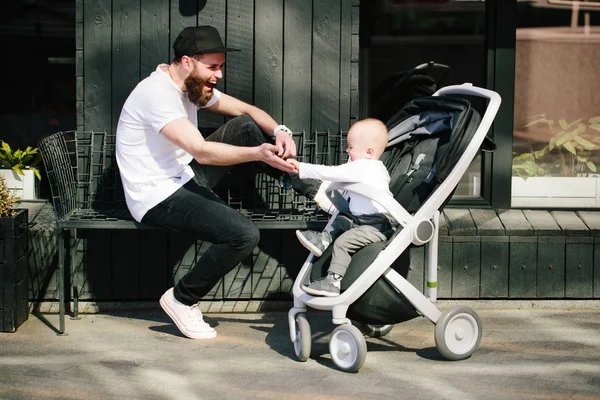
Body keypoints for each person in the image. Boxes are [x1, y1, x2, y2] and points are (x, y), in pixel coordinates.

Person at [115, 25, 317, 339]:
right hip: (155, 195)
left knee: (247, 126)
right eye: (213, 67)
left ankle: (320, 195)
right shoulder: (156, 94)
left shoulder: (191, 86)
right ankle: (182, 299)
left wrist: (280, 131)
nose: (218, 75)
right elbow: (202, 151)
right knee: (243, 235)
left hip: (184, 176)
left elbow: (247, 110)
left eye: (220, 67)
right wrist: (257, 154)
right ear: (186, 61)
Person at [287, 118, 396, 297]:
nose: (347, 150)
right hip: (363, 220)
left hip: (375, 226)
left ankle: (333, 281)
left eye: (351, 147)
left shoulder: (363, 167)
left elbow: (331, 172)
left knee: (343, 243)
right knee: (341, 221)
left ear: (369, 152)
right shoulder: (377, 167)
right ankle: (322, 240)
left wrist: (301, 168)